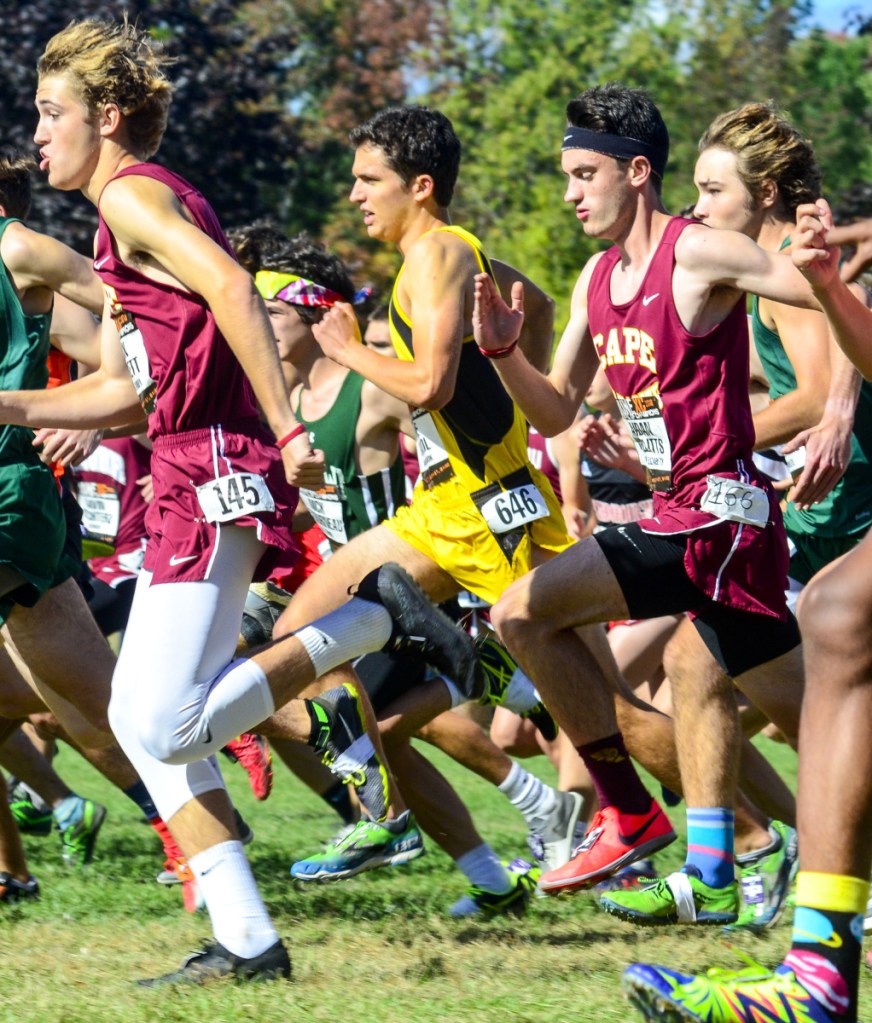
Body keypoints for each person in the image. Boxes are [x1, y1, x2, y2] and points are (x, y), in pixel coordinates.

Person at [21, 18, 478, 984]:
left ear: (106, 117)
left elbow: (236, 288)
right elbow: (128, 396)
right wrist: (12, 404)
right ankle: (247, 941)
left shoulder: (136, 194)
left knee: (167, 724)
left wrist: (290, 425)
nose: (36, 136)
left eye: (51, 112)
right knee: (146, 729)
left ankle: (364, 620)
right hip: (185, 465)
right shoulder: (124, 219)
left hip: (215, 465)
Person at [473, 83, 817, 920]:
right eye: (566, 176)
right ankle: (712, 871)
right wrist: (505, 355)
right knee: (780, 705)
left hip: (719, 514)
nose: (570, 193)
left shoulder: (696, 253)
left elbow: (805, 285)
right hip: (689, 519)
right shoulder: (597, 276)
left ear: (636, 171)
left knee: (522, 614)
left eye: (585, 174)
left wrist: (820, 252)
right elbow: (556, 408)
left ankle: (627, 813)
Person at [268, 103, 585, 915]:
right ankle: (385, 814)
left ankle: (751, 836)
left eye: (367, 180)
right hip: (439, 509)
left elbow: (431, 386)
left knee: (594, 705)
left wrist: (349, 350)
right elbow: (537, 303)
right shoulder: (435, 260)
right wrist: (517, 361)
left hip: (491, 505)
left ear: (419, 185)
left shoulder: (441, 251)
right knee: (295, 633)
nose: (353, 195)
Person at [620, 207, 872, 1022]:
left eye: (711, 186)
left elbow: (806, 393)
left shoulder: (763, 286)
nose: (693, 207)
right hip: (799, 536)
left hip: (803, 523)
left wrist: (821, 401)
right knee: (820, 623)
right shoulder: (764, 280)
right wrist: (836, 286)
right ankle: (810, 959)